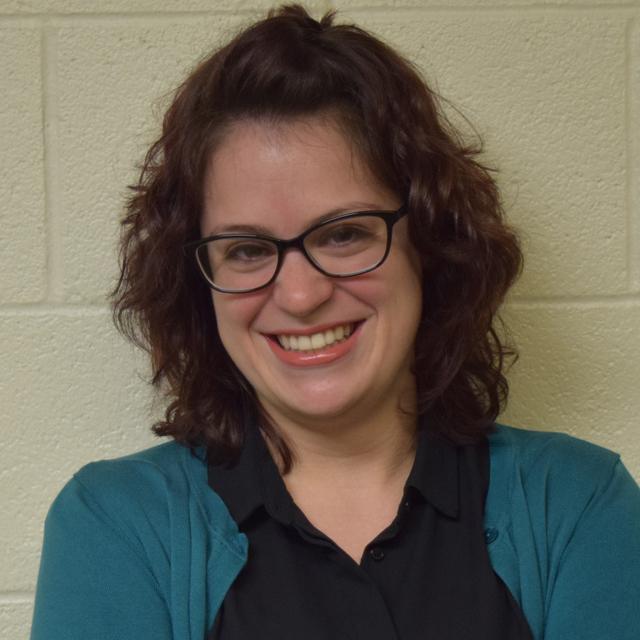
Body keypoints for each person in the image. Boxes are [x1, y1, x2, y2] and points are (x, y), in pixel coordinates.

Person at [30, 5, 640, 640]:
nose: (299, 294)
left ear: (429, 246)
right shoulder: (116, 525)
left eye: (345, 233)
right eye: (246, 248)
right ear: (196, 280)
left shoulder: (578, 506)